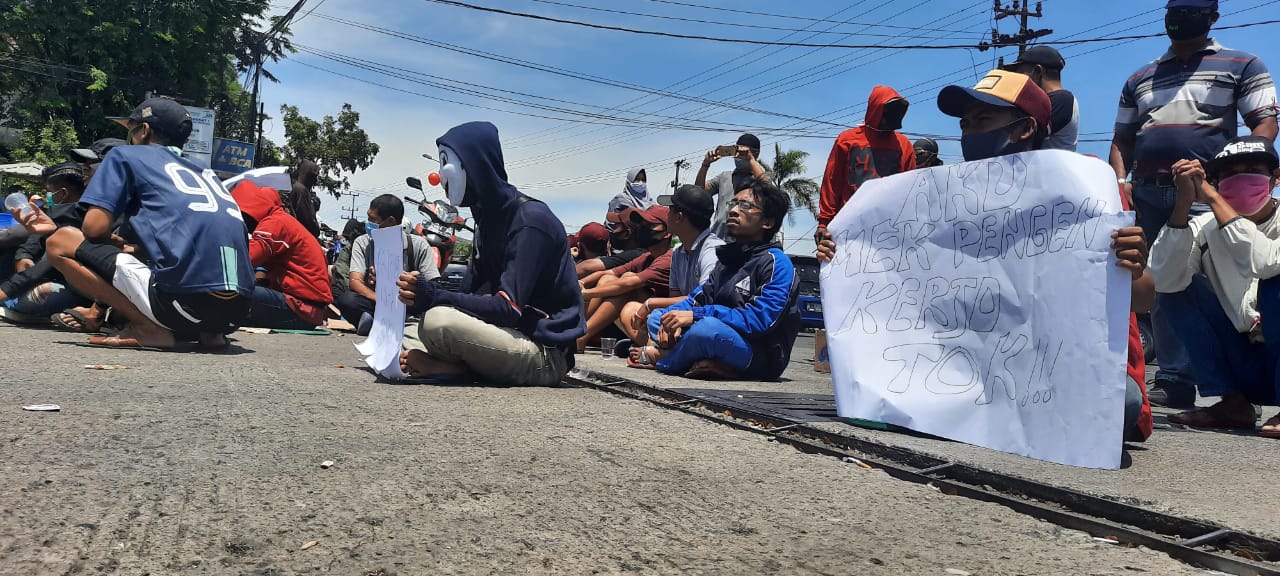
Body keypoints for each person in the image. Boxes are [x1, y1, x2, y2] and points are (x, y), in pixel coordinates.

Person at [898, 68, 1154, 442]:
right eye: (966, 123)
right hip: (976, 357)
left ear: (1024, 129)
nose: (970, 133)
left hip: (1060, 363)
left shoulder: (1084, 191)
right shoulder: (947, 202)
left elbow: (1144, 298)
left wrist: (1132, 265)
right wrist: (845, 254)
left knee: (1122, 402)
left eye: (984, 119)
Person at [1110, 0, 1279, 408]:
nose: (1180, 15)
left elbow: (1265, 123)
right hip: (1145, 189)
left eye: (1191, 8)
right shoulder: (1140, 76)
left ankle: (1244, 381)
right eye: (1175, 7)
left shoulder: (1243, 63)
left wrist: (1235, 174)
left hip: (1207, 191)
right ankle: (1174, 377)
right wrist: (1120, 180)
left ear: (1212, 17)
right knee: (1158, 281)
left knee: (1227, 278)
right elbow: (1123, 138)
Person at [29, 97, 254, 349]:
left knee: (61, 241)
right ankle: (210, 335)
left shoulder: (125, 156)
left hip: (183, 307)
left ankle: (146, 327)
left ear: (144, 130)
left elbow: (93, 229)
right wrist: (128, 248)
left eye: (131, 130)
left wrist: (110, 241)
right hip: (235, 314)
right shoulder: (205, 172)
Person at [396, 121, 585, 386]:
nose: (439, 177)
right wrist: (419, 296)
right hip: (504, 335)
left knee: (436, 323)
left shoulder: (530, 221)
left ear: (474, 164)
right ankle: (452, 364)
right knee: (410, 329)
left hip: (544, 353)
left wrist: (435, 296)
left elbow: (507, 308)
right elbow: (468, 294)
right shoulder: (486, 221)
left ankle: (459, 370)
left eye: (445, 163)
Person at [1148, 136, 1280, 438]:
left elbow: (1267, 262)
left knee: (1276, 287)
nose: (1240, 178)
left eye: (1252, 169)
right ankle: (1232, 404)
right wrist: (1183, 203)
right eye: (1230, 173)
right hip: (1243, 358)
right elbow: (1164, 279)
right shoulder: (1205, 226)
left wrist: (1211, 197)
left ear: (1275, 178)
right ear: (1217, 180)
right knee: (1176, 290)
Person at [628, 179, 800, 381]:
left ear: (767, 222)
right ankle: (705, 363)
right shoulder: (728, 260)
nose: (734, 210)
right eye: (733, 204)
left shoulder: (777, 264)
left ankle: (665, 359)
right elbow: (697, 300)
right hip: (716, 332)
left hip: (759, 353)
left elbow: (758, 321)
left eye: (745, 206)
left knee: (706, 330)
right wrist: (672, 317)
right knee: (659, 317)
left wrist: (696, 316)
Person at [815, 86, 916, 262]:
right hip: (848, 227)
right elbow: (832, 182)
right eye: (888, 110)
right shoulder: (848, 139)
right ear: (876, 108)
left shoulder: (903, 145)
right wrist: (824, 222)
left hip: (888, 228)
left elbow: (910, 189)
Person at [621, 184, 724, 345]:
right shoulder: (678, 252)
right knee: (634, 312)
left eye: (670, 209)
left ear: (679, 217)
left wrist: (650, 304)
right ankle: (658, 347)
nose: (667, 214)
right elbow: (675, 299)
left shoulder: (713, 252)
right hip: (682, 318)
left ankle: (659, 350)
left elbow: (704, 300)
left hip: (705, 319)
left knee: (657, 316)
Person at [230, 180, 334, 329]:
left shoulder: (275, 223)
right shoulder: (283, 221)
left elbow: (245, 260)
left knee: (231, 294)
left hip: (301, 308)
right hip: (308, 308)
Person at [0, 162, 92, 321]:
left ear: (62, 193)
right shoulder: (52, 212)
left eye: (48, 191)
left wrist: (8, 289)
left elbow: (48, 263)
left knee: (42, 293)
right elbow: (32, 242)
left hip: (77, 285)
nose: (45, 196)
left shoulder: (82, 217)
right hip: (39, 275)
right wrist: (24, 256)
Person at [334, 194, 439, 333]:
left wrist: (412, 282)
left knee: (432, 308)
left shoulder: (418, 245)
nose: (367, 224)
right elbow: (355, 281)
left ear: (390, 221)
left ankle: (380, 323)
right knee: (347, 299)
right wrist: (378, 294)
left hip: (405, 303)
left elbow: (433, 284)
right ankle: (393, 324)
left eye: (372, 220)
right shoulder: (363, 243)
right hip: (376, 302)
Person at [577, 205, 673, 351]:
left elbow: (630, 283)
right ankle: (578, 331)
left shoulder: (668, 257)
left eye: (650, 225)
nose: (643, 228)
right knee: (608, 279)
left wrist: (586, 294)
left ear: (667, 233)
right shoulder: (646, 257)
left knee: (626, 282)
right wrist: (581, 283)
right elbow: (609, 273)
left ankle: (581, 335)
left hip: (663, 321)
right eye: (642, 225)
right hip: (641, 317)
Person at [1004, 45, 1079, 151]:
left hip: (1048, 167)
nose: (1018, 81)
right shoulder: (1059, 100)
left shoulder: (1062, 99)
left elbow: (1017, 137)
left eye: (1021, 75)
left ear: (1038, 71)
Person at [695, 133, 769, 240]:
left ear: (755, 154)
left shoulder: (759, 179)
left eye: (743, 153)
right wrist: (705, 164)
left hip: (744, 244)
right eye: (736, 152)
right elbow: (698, 192)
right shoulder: (724, 177)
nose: (739, 156)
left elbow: (767, 190)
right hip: (718, 241)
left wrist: (751, 160)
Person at [575, 210, 647, 278]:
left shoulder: (636, 255)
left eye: (615, 225)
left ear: (626, 234)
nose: (612, 230)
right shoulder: (640, 252)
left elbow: (585, 268)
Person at [286, 160, 323, 238]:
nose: (315, 180)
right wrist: (316, 230)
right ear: (308, 175)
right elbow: (306, 217)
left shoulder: (299, 188)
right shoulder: (301, 190)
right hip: (302, 235)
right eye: (314, 176)